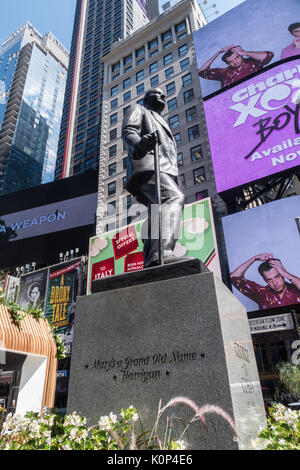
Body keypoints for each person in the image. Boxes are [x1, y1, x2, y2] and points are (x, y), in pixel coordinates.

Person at [122, 88, 191, 268]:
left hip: (164, 170)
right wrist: (140, 144)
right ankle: (163, 251)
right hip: (148, 166)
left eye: (164, 95)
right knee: (173, 198)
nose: (162, 96)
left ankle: (152, 258)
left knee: (157, 212)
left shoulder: (161, 120)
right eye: (156, 93)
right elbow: (128, 131)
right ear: (145, 99)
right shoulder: (139, 109)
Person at [230, 253, 300, 310]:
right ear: (265, 280)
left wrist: (287, 274)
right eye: (269, 280)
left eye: (277, 277)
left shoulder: (296, 288)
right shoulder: (261, 293)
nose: (275, 283)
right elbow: (233, 277)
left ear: (282, 274)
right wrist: (253, 259)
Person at [198, 45, 274, 88]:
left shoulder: (253, 62)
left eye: (236, 57)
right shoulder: (224, 73)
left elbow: (269, 55)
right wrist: (218, 53)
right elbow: (201, 72)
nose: (235, 62)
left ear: (241, 56)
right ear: (227, 63)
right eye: (231, 61)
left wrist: (246, 53)